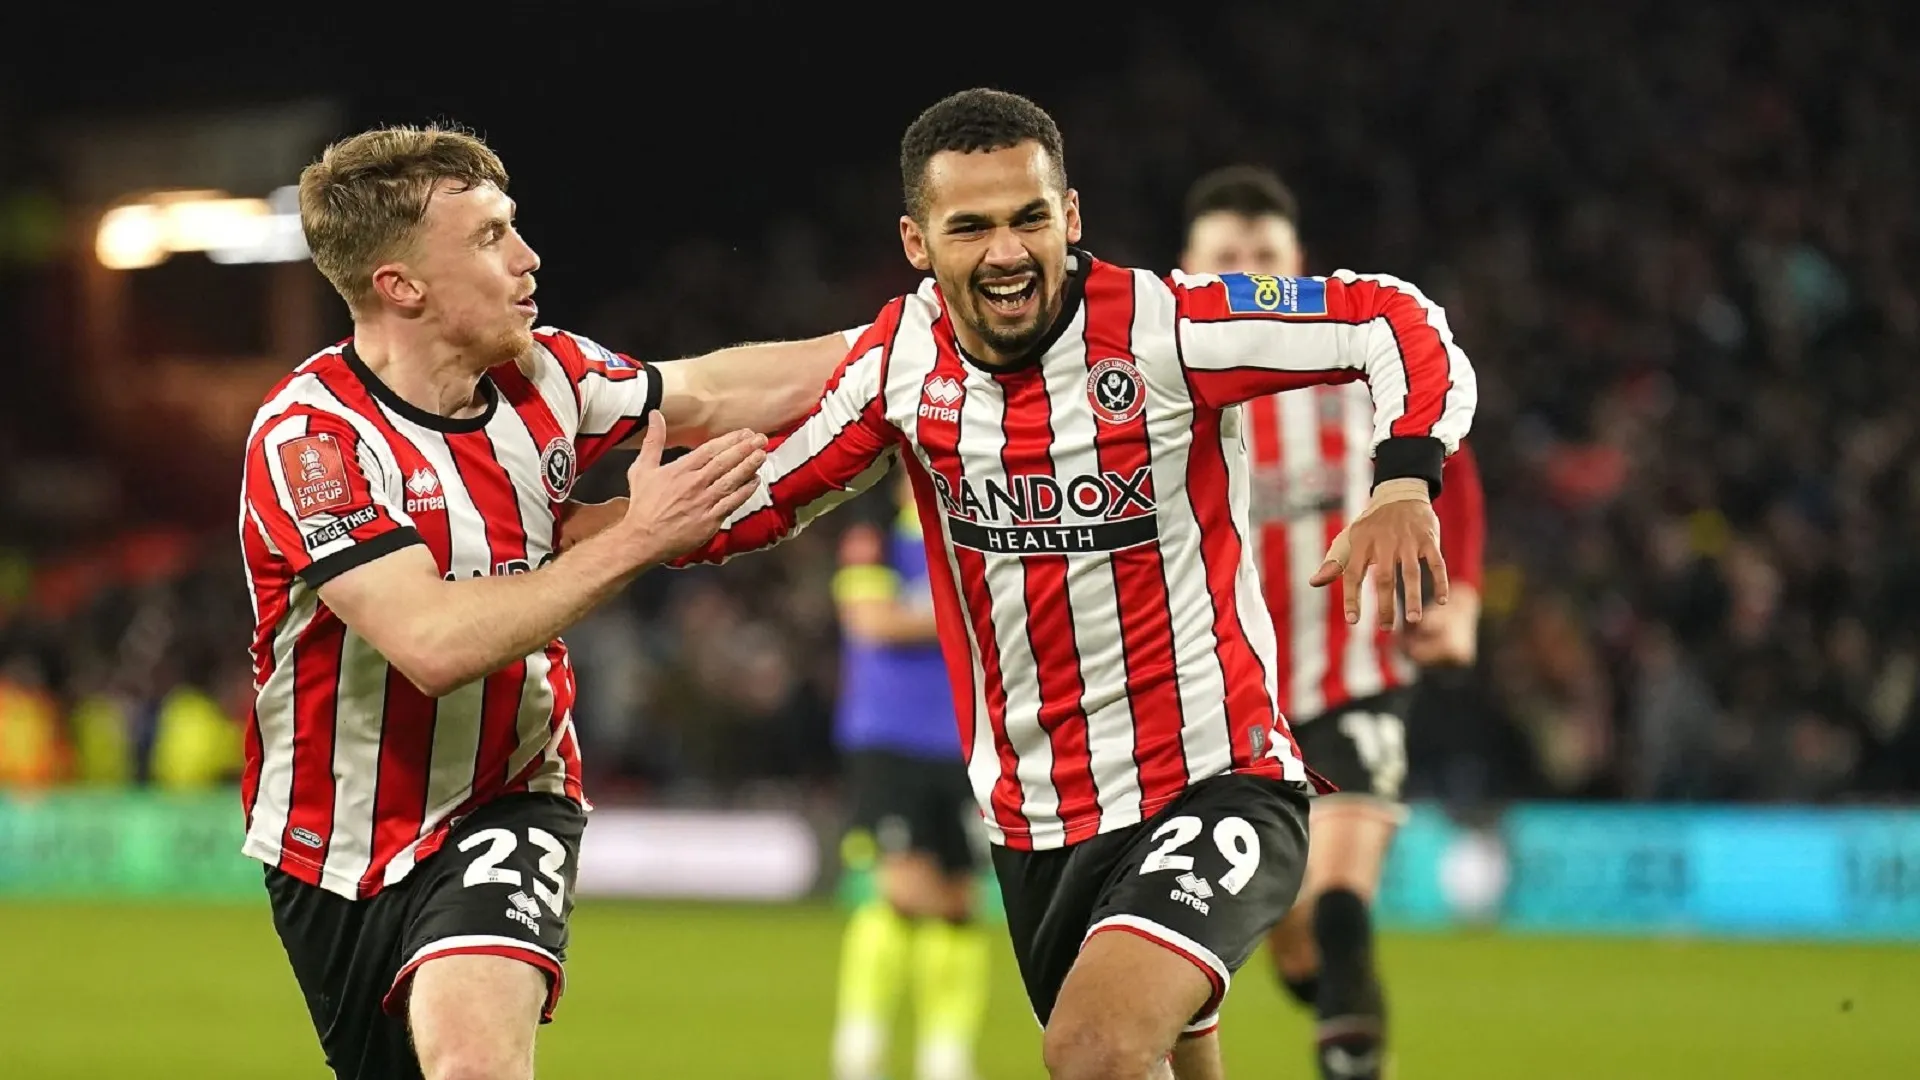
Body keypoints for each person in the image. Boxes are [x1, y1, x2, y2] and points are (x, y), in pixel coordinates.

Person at [678, 88, 1478, 1080]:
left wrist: (1404, 479)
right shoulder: (903, 363)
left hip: (1215, 778)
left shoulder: (1168, 329)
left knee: (1095, 1049)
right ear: (918, 242)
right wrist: (572, 539)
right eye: (970, 225)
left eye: (1030, 217)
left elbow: (1395, 319)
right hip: (1036, 821)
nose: (1007, 250)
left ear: (1073, 216)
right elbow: (756, 500)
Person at [237, 124, 854, 1080]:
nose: (527, 258)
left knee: (475, 1064)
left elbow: (711, 391)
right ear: (402, 285)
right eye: (488, 237)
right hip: (330, 840)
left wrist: (914, 338)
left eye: (513, 227)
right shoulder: (312, 443)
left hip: (511, 795)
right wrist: (641, 537)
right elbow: (431, 642)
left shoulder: (546, 375)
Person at [1180, 165, 1487, 1080]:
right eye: (1223, 258)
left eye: (1262, 257)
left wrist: (1460, 596)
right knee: (1297, 935)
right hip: (1218, 700)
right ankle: (1339, 1008)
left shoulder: (1353, 372)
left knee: (1342, 899)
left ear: (1295, 267)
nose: (1244, 272)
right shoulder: (1157, 391)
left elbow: (1450, 462)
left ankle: (1354, 1053)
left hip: (1350, 674)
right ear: (1185, 270)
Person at [830, 468, 990, 1080]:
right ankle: (860, 1048)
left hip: (966, 740)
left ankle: (946, 1055)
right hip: (890, 737)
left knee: (958, 901)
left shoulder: (977, 526)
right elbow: (872, 621)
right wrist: (967, 614)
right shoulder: (873, 530)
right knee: (899, 891)